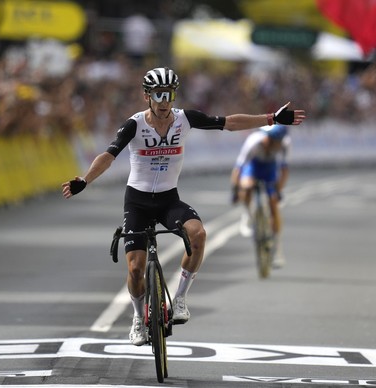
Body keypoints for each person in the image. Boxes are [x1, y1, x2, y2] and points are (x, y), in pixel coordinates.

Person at [61, 67, 305, 346]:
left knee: (198, 235)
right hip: (137, 202)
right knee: (136, 269)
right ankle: (138, 319)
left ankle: (179, 299)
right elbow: (109, 155)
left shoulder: (184, 119)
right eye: (158, 95)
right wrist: (85, 180)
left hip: (168, 200)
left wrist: (272, 118)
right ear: (147, 96)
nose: (165, 101)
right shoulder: (135, 124)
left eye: (169, 94)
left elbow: (228, 123)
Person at [230, 124, 290, 268]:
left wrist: (278, 190)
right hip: (253, 166)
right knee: (246, 186)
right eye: (270, 141)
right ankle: (247, 215)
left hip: (270, 169)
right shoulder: (254, 142)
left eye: (276, 143)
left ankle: (276, 250)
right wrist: (235, 190)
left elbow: (284, 171)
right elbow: (238, 169)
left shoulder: (285, 145)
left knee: (273, 204)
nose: (273, 145)